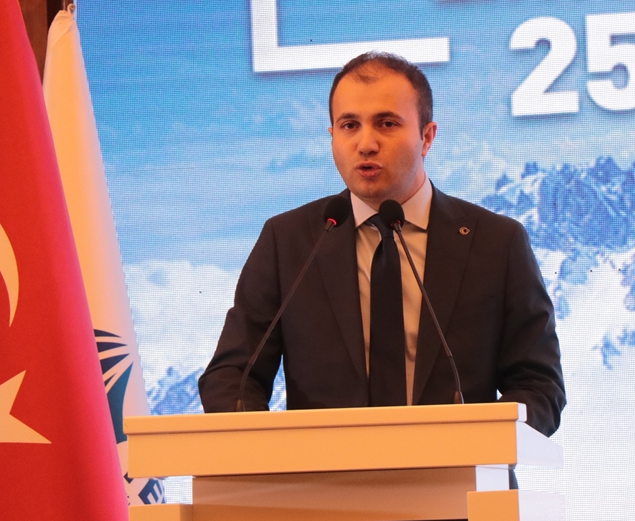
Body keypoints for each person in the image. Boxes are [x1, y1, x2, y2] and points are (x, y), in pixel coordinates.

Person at [198, 52, 565, 437]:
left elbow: (539, 386)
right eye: (349, 126)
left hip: (458, 473)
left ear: (427, 137)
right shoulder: (288, 241)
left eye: (387, 124)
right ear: (332, 136)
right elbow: (232, 376)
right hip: (320, 475)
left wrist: (480, 444)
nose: (366, 143)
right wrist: (267, 452)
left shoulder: (497, 243)